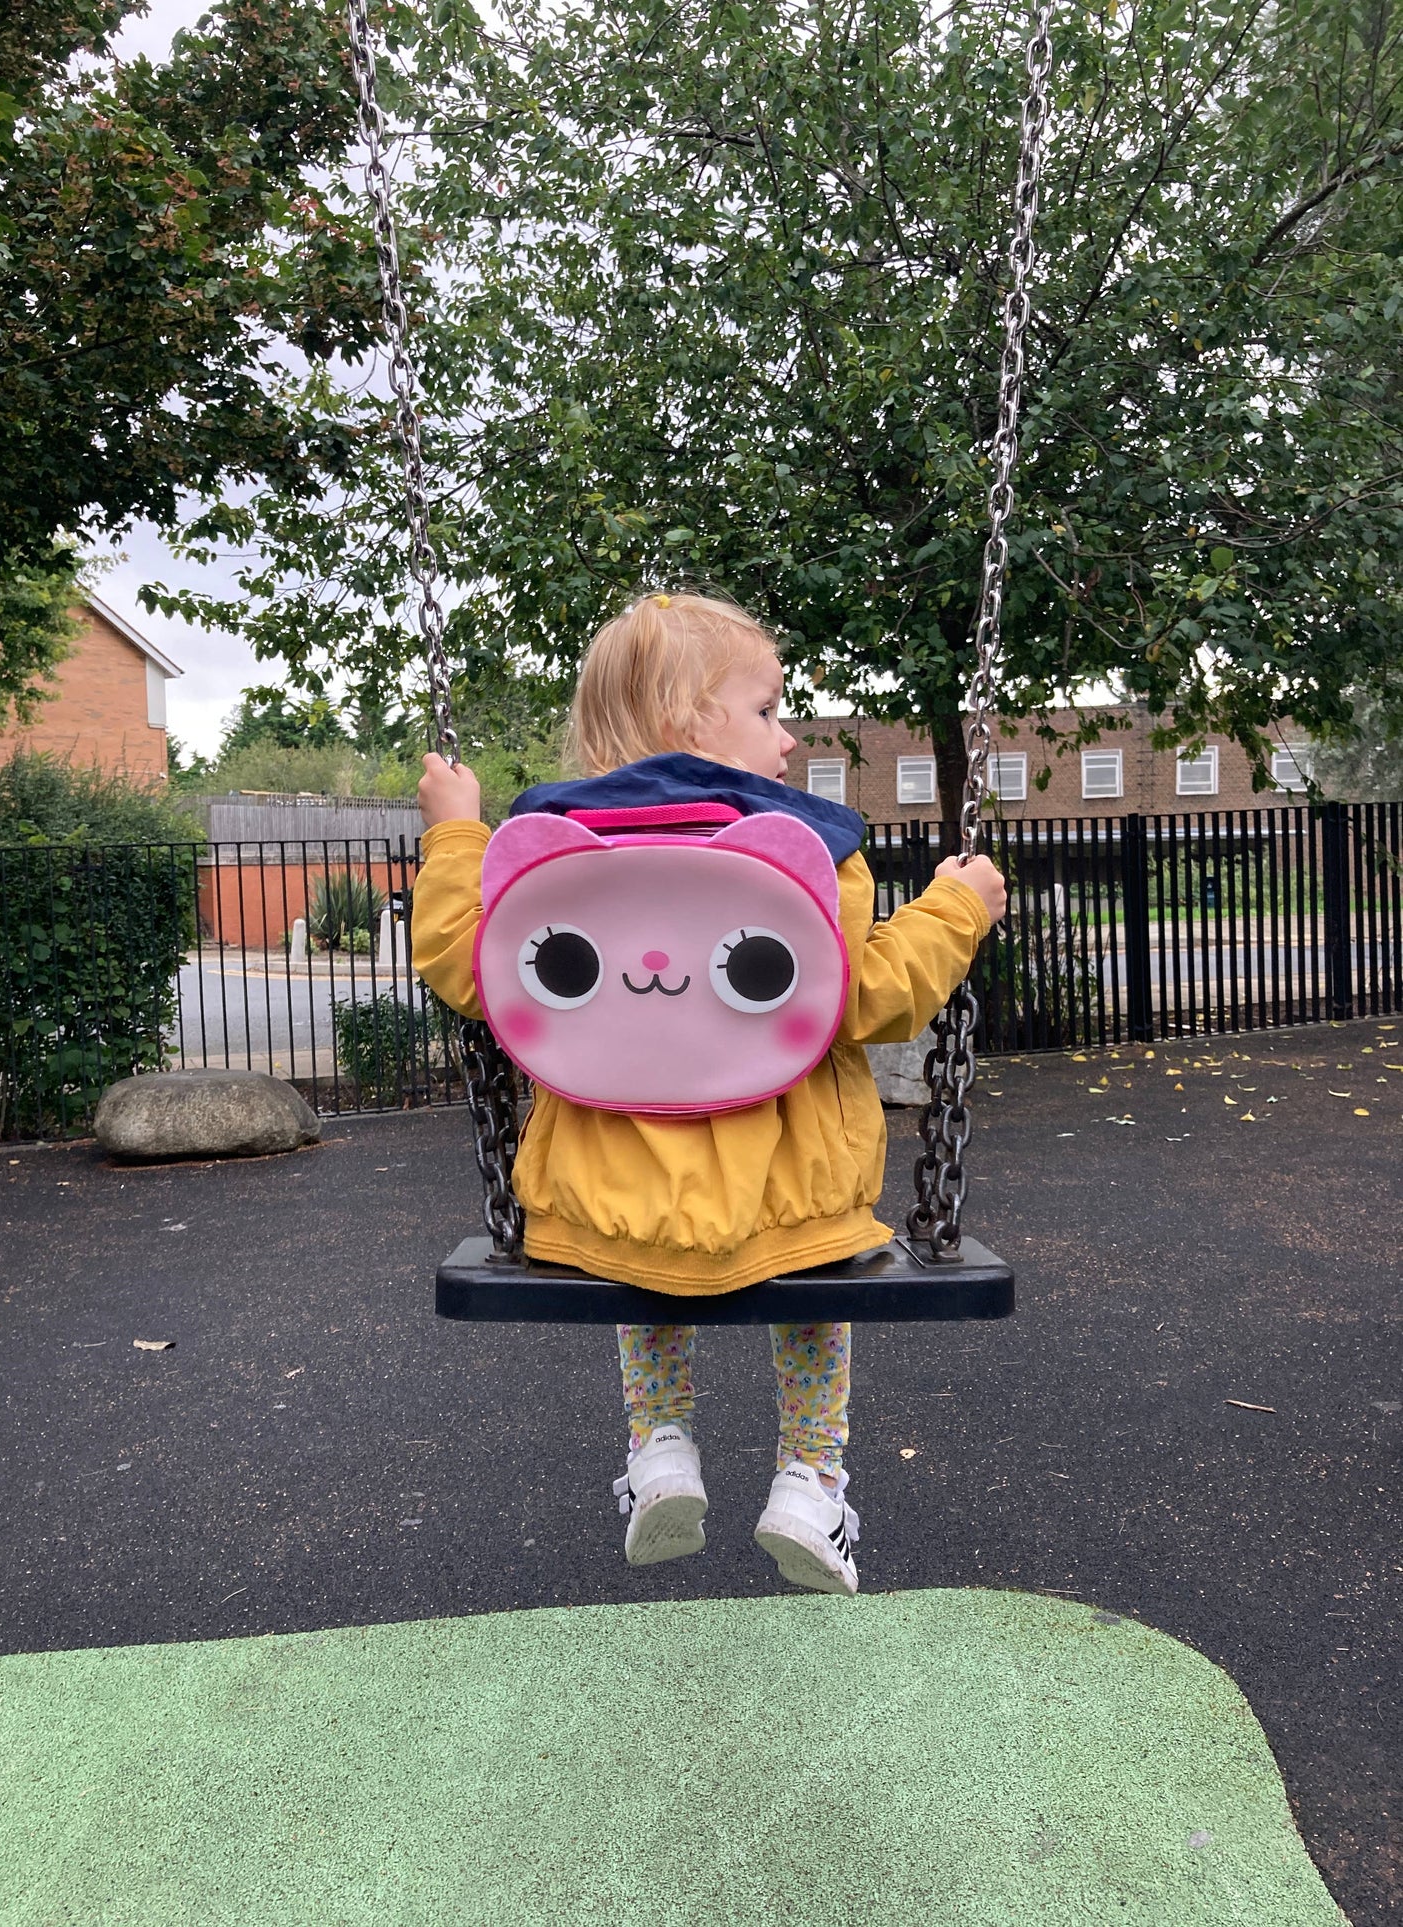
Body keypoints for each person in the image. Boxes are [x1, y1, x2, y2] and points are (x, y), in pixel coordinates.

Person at [411, 592, 1006, 1594]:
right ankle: (810, 1484)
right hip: (791, 1191)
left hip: (611, 1194)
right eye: (769, 708)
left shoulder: (551, 855)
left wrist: (457, 833)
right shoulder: (805, 852)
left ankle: (657, 1454)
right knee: (817, 1292)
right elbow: (868, 998)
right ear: (690, 717)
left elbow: (465, 968)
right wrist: (957, 907)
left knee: (639, 1277)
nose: (789, 734)